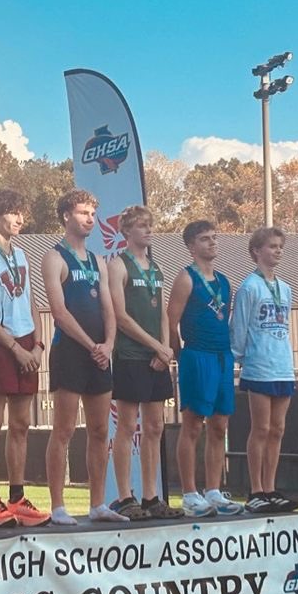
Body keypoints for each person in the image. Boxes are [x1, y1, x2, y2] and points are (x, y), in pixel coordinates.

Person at [42, 189, 128, 526]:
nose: (89, 219)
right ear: (66, 216)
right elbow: (59, 312)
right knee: (63, 430)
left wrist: (107, 343)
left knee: (99, 430)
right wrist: (90, 345)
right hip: (70, 352)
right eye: (82, 213)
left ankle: (97, 503)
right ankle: (58, 506)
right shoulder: (55, 257)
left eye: (92, 213)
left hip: (100, 354)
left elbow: (109, 307)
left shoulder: (98, 261)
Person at [0, 188, 50, 528]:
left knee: (21, 424)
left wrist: (37, 345)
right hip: (0, 343)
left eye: (21, 213)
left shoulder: (21, 254)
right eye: (14, 213)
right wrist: (15, 348)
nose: (20, 219)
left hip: (26, 340)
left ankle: (17, 497)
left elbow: (30, 300)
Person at [107, 204, 182, 520]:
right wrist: (154, 346)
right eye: (141, 226)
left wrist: (164, 349)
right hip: (129, 355)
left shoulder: (155, 268)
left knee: (154, 426)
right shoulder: (118, 265)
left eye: (150, 226)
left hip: (156, 358)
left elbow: (163, 314)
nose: (148, 231)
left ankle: (152, 496)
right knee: (127, 426)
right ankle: (125, 495)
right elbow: (120, 317)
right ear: (126, 232)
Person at [166, 220, 244, 517]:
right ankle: (189, 493)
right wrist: (178, 352)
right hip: (196, 355)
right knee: (193, 424)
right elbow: (170, 318)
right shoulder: (186, 278)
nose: (212, 243)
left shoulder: (224, 281)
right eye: (204, 239)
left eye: (214, 238)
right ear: (191, 246)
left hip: (222, 357)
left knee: (220, 425)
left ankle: (213, 490)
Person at [230, 226, 298, 514]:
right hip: (259, 366)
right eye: (272, 246)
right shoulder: (249, 287)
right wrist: (235, 359)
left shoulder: (286, 289)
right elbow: (240, 327)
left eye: (280, 246)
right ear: (256, 251)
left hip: (283, 365)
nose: (278, 251)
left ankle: (271, 488)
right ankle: (255, 489)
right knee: (260, 428)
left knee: (278, 429)